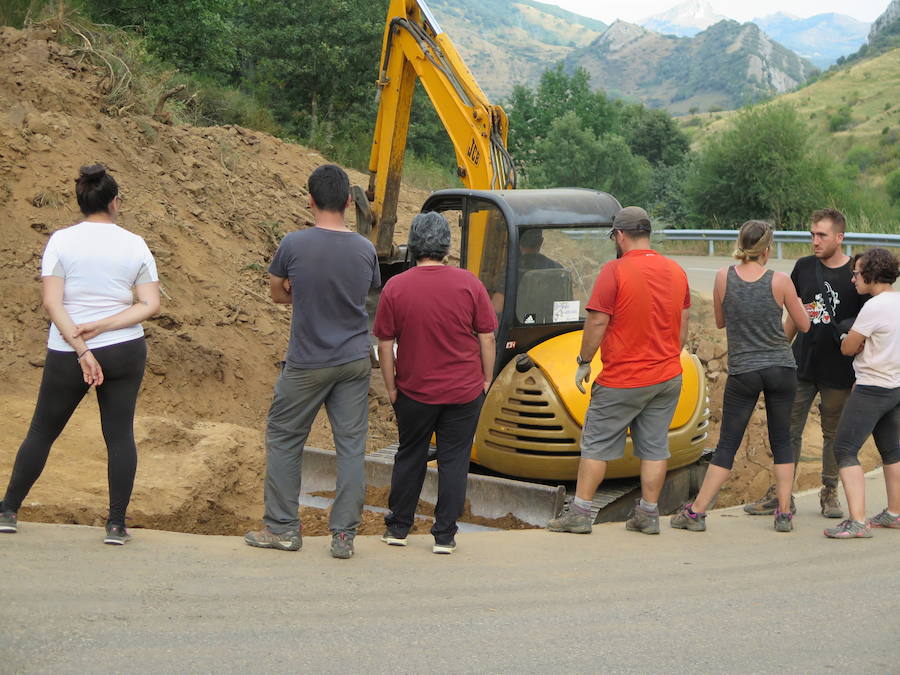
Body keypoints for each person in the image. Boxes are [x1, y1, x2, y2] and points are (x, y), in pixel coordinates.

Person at [0, 164, 160, 545]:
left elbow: (51, 303)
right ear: (115, 202)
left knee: (42, 431)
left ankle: (8, 511)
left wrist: (82, 348)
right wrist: (105, 327)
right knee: (120, 435)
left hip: (67, 349)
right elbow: (149, 304)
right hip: (124, 348)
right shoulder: (135, 243)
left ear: (81, 201)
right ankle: (116, 525)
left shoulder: (61, 241)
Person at [243, 164, 380, 559]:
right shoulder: (364, 249)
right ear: (349, 201)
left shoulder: (293, 245)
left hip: (307, 361)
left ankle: (283, 528)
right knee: (351, 446)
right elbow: (366, 295)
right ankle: (343, 536)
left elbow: (277, 295)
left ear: (310, 199)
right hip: (354, 360)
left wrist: (296, 289)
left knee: (285, 439)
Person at [547, 206, 690, 536]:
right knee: (655, 447)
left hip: (624, 378)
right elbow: (682, 329)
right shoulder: (675, 271)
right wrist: (667, 356)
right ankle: (648, 514)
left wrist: (584, 361)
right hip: (667, 376)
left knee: (596, 444)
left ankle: (580, 513)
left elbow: (598, 321)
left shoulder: (615, 271)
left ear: (620, 235)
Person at [671, 221, 810, 533]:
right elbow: (804, 325)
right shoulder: (781, 281)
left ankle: (696, 512)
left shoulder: (724, 277)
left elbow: (721, 322)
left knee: (727, 445)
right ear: (766, 249)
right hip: (780, 368)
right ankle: (784, 513)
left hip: (744, 369)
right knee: (782, 441)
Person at [373, 212, 496, 554]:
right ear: (447, 245)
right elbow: (487, 337)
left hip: (414, 391)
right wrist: (486, 379)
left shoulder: (396, 286)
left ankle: (398, 528)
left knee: (410, 454)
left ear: (413, 244)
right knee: (454, 460)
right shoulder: (470, 284)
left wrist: (392, 386)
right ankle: (444, 536)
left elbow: (385, 344)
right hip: (464, 391)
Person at [744, 209, 866, 519]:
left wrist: (861, 371)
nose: (815, 241)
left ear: (840, 237)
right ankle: (782, 495)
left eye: (822, 235)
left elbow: (867, 327)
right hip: (800, 365)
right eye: (812, 234)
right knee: (787, 431)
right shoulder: (803, 267)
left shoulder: (856, 274)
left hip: (840, 370)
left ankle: (829, 491)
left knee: (833, 434)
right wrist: (778, 352)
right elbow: (794, 318)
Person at [824, 248, 900, 539]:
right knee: (891, 450)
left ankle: (857, 522)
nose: (853, 279)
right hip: (895, 386)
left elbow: (847, 347)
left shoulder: (874, 307)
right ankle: (894, 513)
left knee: (844, 449)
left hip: (871, 388)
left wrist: (846, 337)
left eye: (856, 273)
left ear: (871, 273)